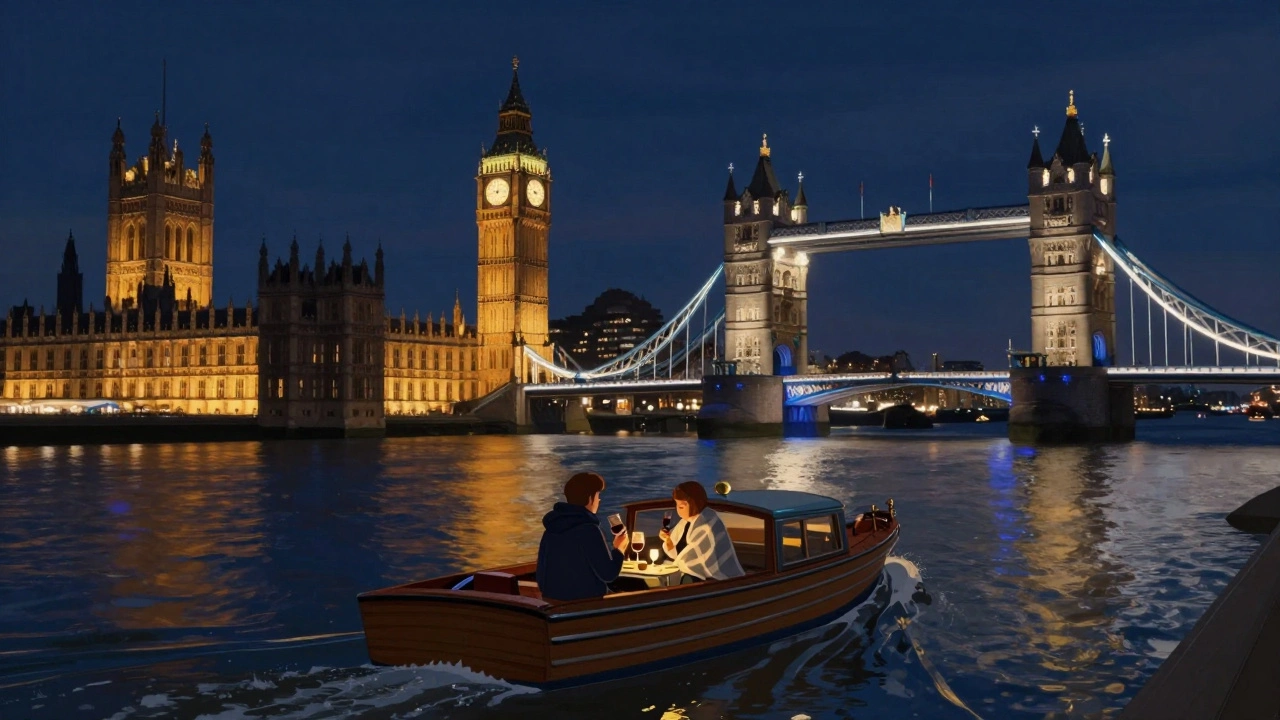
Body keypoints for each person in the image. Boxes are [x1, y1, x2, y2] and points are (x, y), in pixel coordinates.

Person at [535, 471, 629, 602]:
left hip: (552, 604)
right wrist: (619, 548)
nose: (599, 500)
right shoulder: (589, 530)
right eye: (598, 495)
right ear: (590, 498)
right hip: (586, 606)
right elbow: (608, 574)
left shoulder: (551, 529)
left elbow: (541, 577)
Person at [659, 481, 745, 583]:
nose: (678, 510)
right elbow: (677, 554)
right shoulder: (684, 523)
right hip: (691, 574)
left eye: (681, 507)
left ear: (694, 504)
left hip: (715, 580)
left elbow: (691, 559)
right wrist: (668, 541)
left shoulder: (706, 524)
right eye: (676, 506)